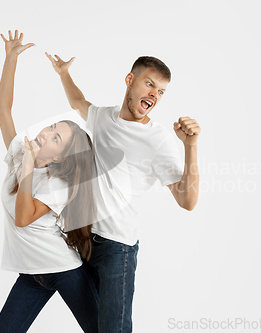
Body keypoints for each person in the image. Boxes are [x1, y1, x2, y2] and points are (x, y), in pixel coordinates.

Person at [46, 52, 201, 332]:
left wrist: (191, 146)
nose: (155, 94)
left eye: (161, 91)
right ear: (130, 80)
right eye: (150, 84)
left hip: (118, 251)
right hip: (82, 242)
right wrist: (63, 73)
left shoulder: (159, 139)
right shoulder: (103, 117)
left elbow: (187, 200)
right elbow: (78, 102)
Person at [0, 30, 99, 333]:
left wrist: (27, 164)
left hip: (64, 270)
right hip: (32, 274)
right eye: (52, 126)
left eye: (56, 138)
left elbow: (23, 217)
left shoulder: (57, 183)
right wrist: (10, 58)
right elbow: (2, 109)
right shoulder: (20, 155)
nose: (46, 133)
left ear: (60, 157)